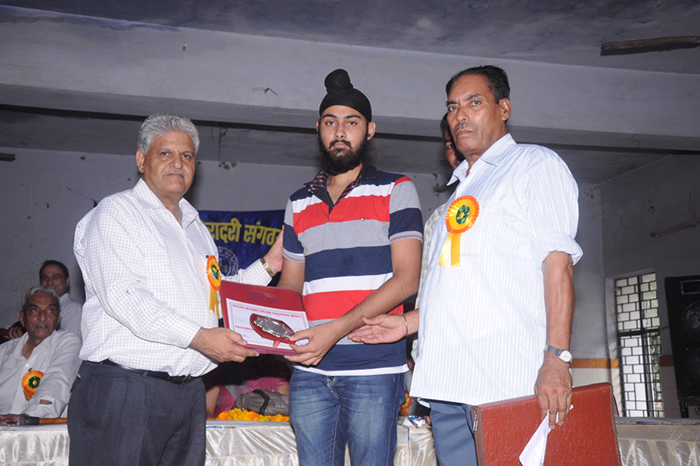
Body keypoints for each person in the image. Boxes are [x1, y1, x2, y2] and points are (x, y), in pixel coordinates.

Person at [349, 65, 582, 465]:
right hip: (447, 385)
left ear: (504, 108)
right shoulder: (459, 194)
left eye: (474, 102)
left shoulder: (534, 165)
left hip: (505, 383)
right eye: (453, 107)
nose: (460, 116)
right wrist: (406, 323)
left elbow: (558, 266)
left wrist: (557, 358)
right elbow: (464, 288)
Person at [68, 113, 284, 465]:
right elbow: (125, 297)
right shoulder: (116, 213)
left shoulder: (197, 230)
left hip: (188, 394)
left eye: (186, 156)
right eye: (165, 153)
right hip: (125, 391)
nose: (177, 163)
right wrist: (201, 338)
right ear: (142, 160)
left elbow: (216, 299)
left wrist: (269, 265)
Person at [277, 69, 423, 465]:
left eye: (351, 122)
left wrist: (334, 331)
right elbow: (290, 283)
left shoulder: (396, 189)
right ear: (319, 129)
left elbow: (407, 280)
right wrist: (275, 330)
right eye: (330, 122)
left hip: (374, 368)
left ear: (369, 130)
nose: (340, 131)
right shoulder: (298, 202)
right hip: (310, 369)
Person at [0, 286, 81, 424]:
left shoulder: (68, 343)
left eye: (50, 310)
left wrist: (28, 418)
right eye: (34, 310)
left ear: (58, 317)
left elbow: (57, 380)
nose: (42, 318)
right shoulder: (3, 351)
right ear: (22, 318)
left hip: (40, 433)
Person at [40, 260, 83, 340]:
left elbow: (71, 343)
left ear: (67, 282)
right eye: (45, 278)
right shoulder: (38, 310)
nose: (49, 282)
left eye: (56, 277)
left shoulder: (72, 309)